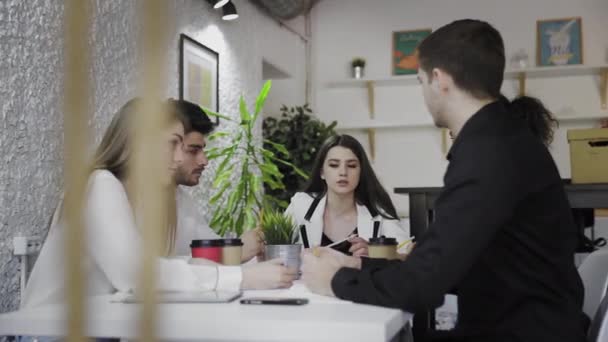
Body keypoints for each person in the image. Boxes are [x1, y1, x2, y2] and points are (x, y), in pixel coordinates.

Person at [301, 19, 586, 342]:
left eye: (421, 81)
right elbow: (444, 264)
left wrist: (335, 279)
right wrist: (358, 266)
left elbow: (422, 287)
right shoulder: (502, 140)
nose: (423, 93)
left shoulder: (488, 154)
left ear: (439, 80)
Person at [22, 98, 296, 309]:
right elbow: (135, 275)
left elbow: (184, 260)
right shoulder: (101, 185)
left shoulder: (164, 198)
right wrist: (241, 277)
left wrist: (246, 264)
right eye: (175, 145)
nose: (180, 159)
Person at [169, 99, 263, 261]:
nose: (204, 160)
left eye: (202, 150)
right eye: (193, 151)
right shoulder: (123, 193)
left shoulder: (182, 199)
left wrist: (247, 244)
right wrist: (234, 252)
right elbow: (154, 271)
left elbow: (212, 246)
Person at [285, 134, 409, 256]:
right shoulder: (300, 205)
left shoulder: (378, 212)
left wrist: (375, 253)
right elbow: (274, 248)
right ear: (322, 172)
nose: (343, 172)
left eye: (351, 166)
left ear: (361, 172)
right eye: (334, 165)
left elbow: (407, 253)